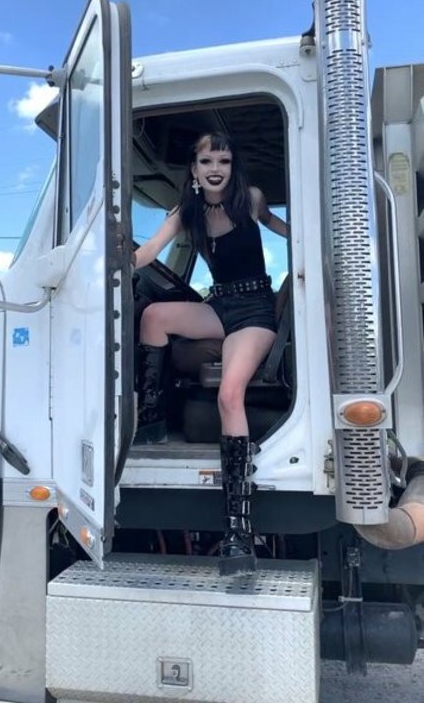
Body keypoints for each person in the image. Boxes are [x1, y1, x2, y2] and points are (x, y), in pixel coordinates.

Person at [132, 131, 287, 575]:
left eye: (224, 160)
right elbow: (151, 249)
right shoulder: (187, 212)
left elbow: (282, 229)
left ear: (233, 167)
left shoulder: (249, 199)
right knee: (153, 317)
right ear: (194, 169)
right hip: (219, 305)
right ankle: (152, 420)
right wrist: (114, 265)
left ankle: (238, 528)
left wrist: (318, 244)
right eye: (206, 161)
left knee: (228, 395)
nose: (216, 169)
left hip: (255, 309)